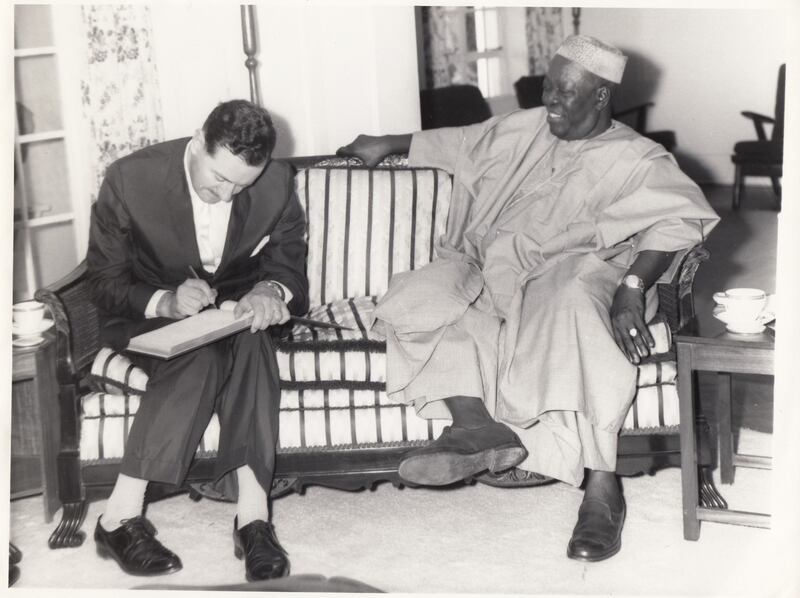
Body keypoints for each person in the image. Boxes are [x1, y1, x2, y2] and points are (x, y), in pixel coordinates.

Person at [337, 35, 719, 562]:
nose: (551, 101)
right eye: (548, 87)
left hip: (572, 270)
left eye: (565, 92)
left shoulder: (638, 157)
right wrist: (387, 142)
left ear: (601, 97)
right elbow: (463, 141)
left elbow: (681, 218)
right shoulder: (524, 127)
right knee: (421, 295)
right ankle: (474, 425)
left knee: (571, 311)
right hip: (485, 265)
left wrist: (633, 286)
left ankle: (602, 486)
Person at [86, 99, 308, 580]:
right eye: (218, 178)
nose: (227, 195)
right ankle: (118, 516)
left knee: (251, 342)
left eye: (240, 185)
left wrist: (269, 290)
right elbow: (103, 281)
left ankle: (252, 519)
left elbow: (289, 265)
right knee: (203, 357)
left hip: (233, 310)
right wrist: (164, 301)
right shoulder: (129, 179)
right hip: (150, 316)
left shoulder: (275, 182)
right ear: (196, 142)